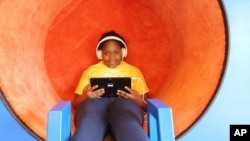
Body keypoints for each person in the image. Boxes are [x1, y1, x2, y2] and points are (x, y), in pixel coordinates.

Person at [71, 30, 150, 141]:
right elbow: (75, 104)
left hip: (124, 106)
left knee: (128, 122)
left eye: (116, 52)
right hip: (94, 105)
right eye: (107, 53)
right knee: (89, 121)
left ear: (123, 52)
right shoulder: (90, 71)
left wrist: (137, 99)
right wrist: (86, 96)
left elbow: (147, 106)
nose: (111, 57)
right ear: (100, 54)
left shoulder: (134, 71)